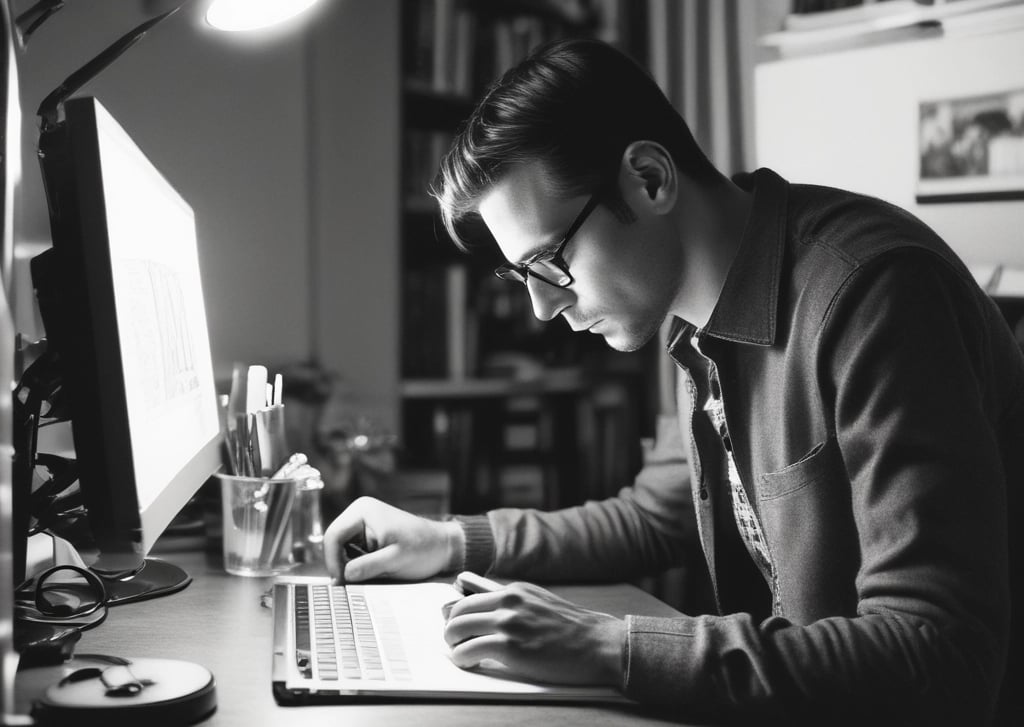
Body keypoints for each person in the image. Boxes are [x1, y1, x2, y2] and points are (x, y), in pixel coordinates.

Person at [324, 38, 1023, 724]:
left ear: (650, 179)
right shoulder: (692, 319)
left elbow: (938, 657)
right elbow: (655, 517)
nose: (542, 307)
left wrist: (604, 643)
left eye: (550, 262)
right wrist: (447, 540)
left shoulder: (874, 295)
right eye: (523, 276)